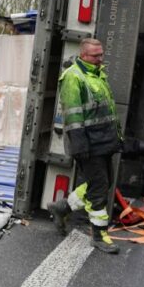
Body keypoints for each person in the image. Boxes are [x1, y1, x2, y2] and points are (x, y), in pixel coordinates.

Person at [48, 38, 121, 254]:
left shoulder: (96, 73)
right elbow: (73, 115)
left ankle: (62, 208)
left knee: (99, 184)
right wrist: (80, 146)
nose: (100, 59)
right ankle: (99, 236)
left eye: (101, 55)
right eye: (95, 56)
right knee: (98, 189)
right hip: (88, 143)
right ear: (83, 55)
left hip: (103, 141)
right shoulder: (73, 77)